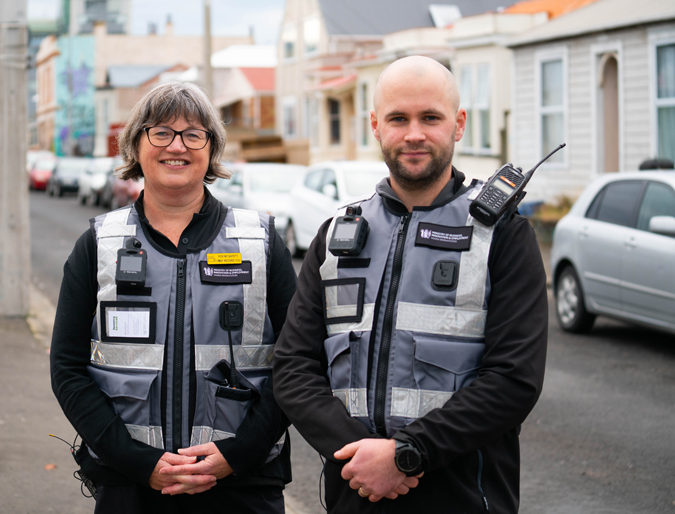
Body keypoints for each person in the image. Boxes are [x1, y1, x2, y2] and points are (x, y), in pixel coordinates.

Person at [273, 55, 548, 513]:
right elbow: (293, 368)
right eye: (398, 119)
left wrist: (405, 456)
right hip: (355, 488)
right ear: (376, 126)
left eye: (430, 118)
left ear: (458, 125)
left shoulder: (504, 236)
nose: (414, 134)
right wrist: (360, 456)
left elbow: (513, 380)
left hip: (464, 497)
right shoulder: (336, 235)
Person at [50, 81, 296, 513]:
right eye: (160, 132)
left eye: (193, 134)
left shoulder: (261, 242)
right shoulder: (99, 243)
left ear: (211, 148)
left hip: (243, 487)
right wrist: (136, 461)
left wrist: (236, 456)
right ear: (136, 146)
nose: (176, 146)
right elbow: (67, 369)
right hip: (130, 486)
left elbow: (298, 362)